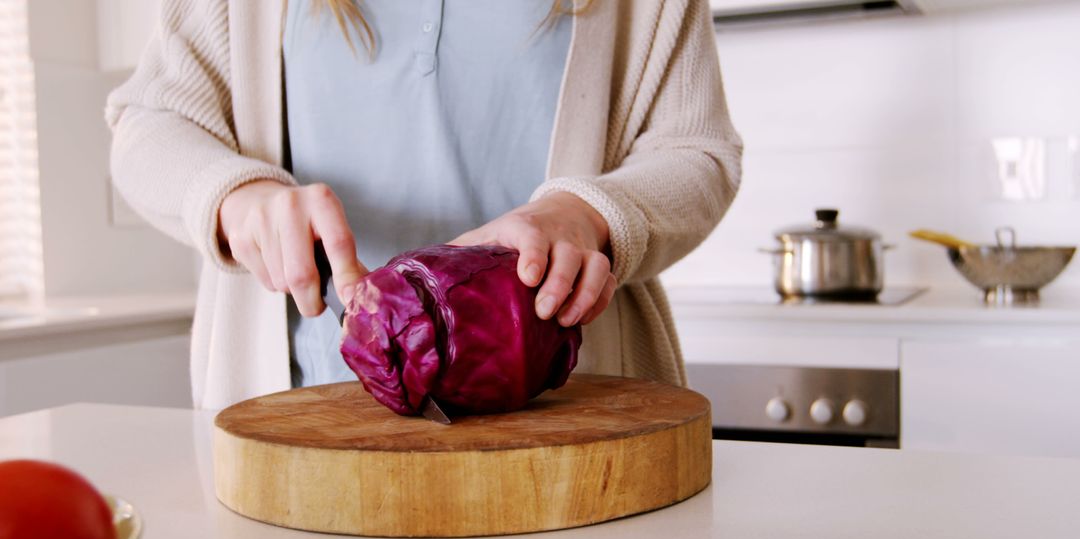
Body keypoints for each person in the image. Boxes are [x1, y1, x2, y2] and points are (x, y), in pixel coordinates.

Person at [106, 0, 743, 410]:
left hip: (574, 421)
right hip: (299, 407)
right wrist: (240, 200)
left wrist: (586, 213)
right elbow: (150, 123)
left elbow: (698, 151)